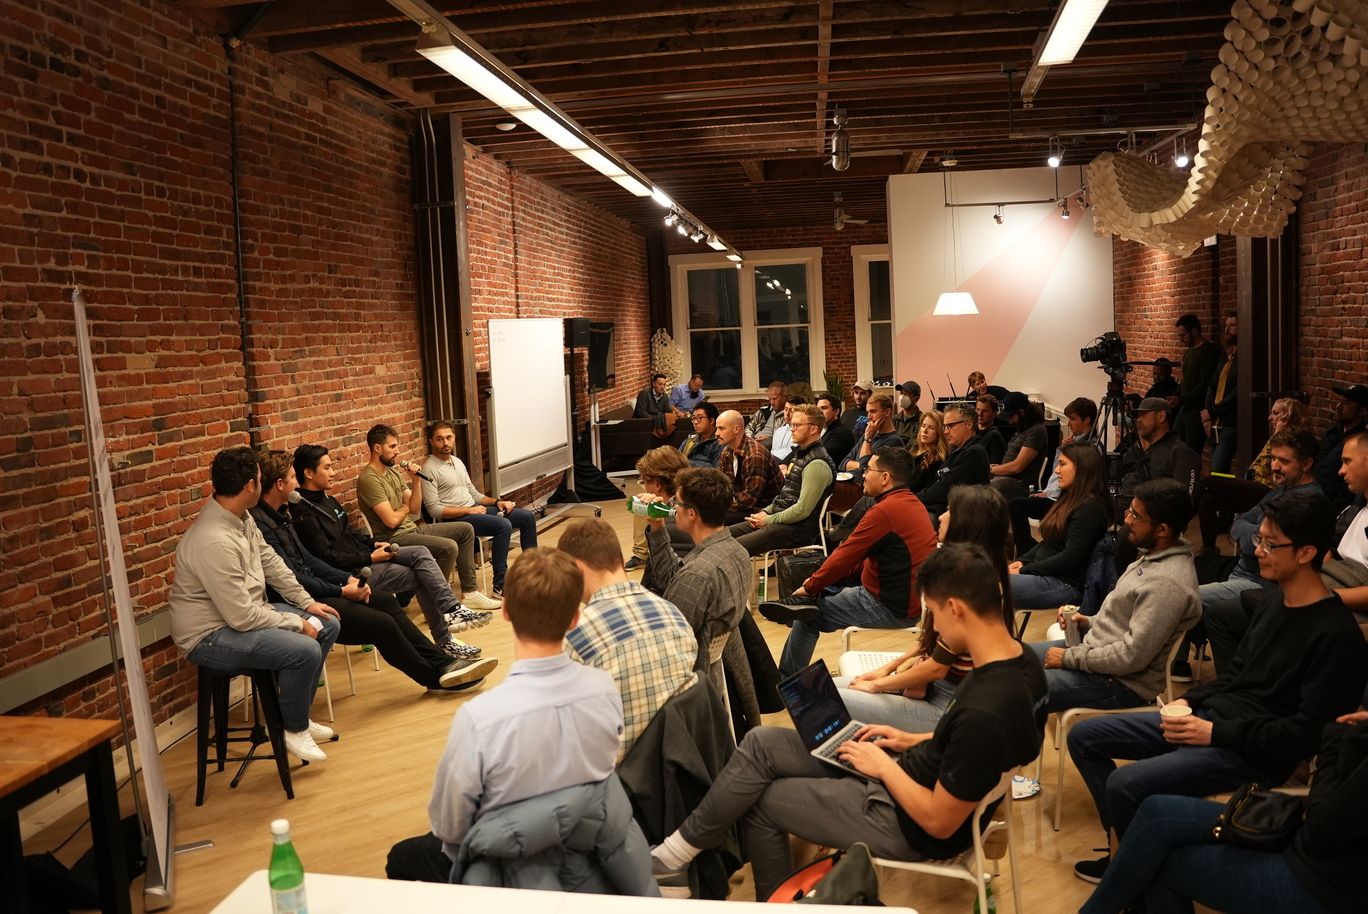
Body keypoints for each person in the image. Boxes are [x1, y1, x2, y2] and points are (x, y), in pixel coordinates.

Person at [647, 543, 1046, 903]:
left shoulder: (985, 709)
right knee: (763, 743)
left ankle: (736, 886)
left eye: (936, 614)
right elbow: (981, 750)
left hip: (905, 819)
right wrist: (909, 739)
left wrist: (884, 768)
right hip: (904, 772)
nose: (935, 628)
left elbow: (939, 823)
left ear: (956, 607)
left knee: (764, 803)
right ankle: (675, 855)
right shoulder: (1023, 663)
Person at [1067, 488, 1368, 883]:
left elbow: (1303, 736)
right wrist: (1191, 702)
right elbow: (1236, 675)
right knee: (1085, 735)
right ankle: (1127, 852)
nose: (1257, 550)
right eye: (1259, 538)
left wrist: (1214, 732)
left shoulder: (1337, 635)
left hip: (1252, 750)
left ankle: (1131, 871)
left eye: (1270, 544)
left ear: (1307, 552)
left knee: (1126, 783)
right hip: (1214, 721)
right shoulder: (1273, 603)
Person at [386, 549, 631, 885]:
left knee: (402, 858)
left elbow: (450, 828)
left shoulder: (480, 719)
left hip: (507, 864)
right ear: (576, 618)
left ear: (505, 611)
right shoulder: (605, 690)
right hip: (584, 845)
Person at [251, 450, 496, 692]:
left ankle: (443, 661)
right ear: (281, 484)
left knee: (387, 603)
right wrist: (342, 588)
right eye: (292, 478)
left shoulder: (282, 513)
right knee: (383, 624)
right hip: (302, 599)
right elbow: (294, 576)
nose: (296, 482)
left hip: (326, 583)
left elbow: (309, 561)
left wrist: (346, 580)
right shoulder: (268, 521)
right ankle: (434, 678)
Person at [1080, 710, 1368, 914]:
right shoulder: (1273, 623)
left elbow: (1322, 827)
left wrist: (1335, 747)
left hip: (1327, 882)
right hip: (1310, 834)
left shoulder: (1335, 641)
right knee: (1156, 811)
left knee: (1160, 860)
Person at [169, 446, 341, 763]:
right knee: (304, 649)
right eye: (260, 480)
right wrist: (295, 622)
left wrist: (307, 603)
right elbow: (241, 617)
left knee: (328, 624)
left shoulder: (241, 517)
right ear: (251, 486)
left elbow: (271, 563)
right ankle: (293, 727)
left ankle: (296, 716)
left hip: (241, 615)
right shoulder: (214, 540)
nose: (261, 485)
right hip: (210, 634)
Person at [833, 484, 1015, 732]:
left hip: (946, 706)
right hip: (932, 688)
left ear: (968, 522)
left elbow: (937, 667)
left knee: (826, 699)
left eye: (950, 510)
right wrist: (887, 669)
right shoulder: (974, 572)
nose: (940, 516)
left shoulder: (973, 584)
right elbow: (934, 648)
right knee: (827, 690)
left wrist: (881, 684)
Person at [290, 443, 488, 661]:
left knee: (422, 564)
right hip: (350, 577)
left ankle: (447, 634)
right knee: (424, 558)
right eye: (327, 468)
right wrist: (369, 556)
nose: (333, 472)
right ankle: (451, 615)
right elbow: (326, 557)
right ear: (309, 473)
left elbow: (351, 535)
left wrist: (373, 544)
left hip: (367, 558)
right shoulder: (303, 511)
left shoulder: (329, 499)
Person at [759, 446, 938, 677]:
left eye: (868, 469)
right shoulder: (910, 503)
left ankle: (785, 680)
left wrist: (810, 586)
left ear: (885, 478)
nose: (863, 473)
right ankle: (803, 600)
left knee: (808, 614)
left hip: (891, 606)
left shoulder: (884, 511)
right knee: (821, 591)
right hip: (904, 599)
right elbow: (861, 557)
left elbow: (846, 555)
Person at [1029, 478, 1201, 715]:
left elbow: (1131, 657)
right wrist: (1087, 622)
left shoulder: (1168, 584)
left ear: (1163, 529)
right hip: (1096, 655)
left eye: (1136, 516)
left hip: (1120, 684)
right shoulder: (1154, 553)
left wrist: (1070, 658)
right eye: (1130, 511)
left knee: (1017, 691)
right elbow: (1121, 620)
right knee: (1010, 660)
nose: (1127, 520)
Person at [557, 520, 698, 762]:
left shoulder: (576, 637)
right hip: (682, 768)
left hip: (618, 780)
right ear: (620, 561)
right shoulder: (673, 615)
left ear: (577, 569)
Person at [1198, 429, 1322, 668]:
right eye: (1273, 459)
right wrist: (1254, 534)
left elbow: (1253, 544)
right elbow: (1239, 523)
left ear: (1307, 464)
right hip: (1241, 571)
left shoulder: (1306, 502)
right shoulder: (1281, 490)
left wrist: (1251, 536)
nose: (1274, 466)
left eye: (1283, 461)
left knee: (1185, 597)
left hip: (1260, 582)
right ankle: (1180, 664)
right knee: (1182, 573)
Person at [356, 424, 500, 611]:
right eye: (392, 447)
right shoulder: (369, 479)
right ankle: (437, 604)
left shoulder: (392, 472)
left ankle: (470, 593)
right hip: (392, 538)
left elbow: (415, 508)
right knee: (448, 547)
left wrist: (416, 480)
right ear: (377, 448)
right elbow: (391, 521)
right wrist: (405, 508)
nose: (397, 451)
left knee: (465, 529)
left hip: (410, 528)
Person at [643, 467, 751, 672]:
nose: (673, 508)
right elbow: (674, 578)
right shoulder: (738, 552)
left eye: (676, 502)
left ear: (691, 513)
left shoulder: (698, 574)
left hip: (689, 674)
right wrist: (657, 526)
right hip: (716, 667)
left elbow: (671, 641)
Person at [421, 420, 538, 597]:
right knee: (503, 525)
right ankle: (500, 585)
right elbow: (434, 510)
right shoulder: (429, 469)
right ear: (431, 441)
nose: (445, 443)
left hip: (474, 509)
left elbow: (473, 493)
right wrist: (469, 511)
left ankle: (535, 574)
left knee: (527, 517)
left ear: (454, 438)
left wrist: (497, 502)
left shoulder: (457, 461)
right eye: (439, 439)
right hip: (456, 519)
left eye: (448, 438)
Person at [1197, 396, 1311, 550]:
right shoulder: (1278, 437)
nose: (1269, 417)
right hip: (1255, 486)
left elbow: (1271, 471)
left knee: (1208, 481)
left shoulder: (1294, 440)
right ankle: (1209, 551)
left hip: (1271, 491)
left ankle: (1174, 523)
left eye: (1275, 413)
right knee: (1208, 500)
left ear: (1287, 417)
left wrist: (1277, 436)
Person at [1009, 443, 1112, 610]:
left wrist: (1025, 570)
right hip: (1047, 575)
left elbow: (1070, 558)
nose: (1056, 470)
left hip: (1065, 583)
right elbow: (1049, 542)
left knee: (988, 587)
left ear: (1082, 468)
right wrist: (1021, 561)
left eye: (1062, 464)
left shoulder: (1089, 507)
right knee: (980, 580)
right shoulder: (1069, 499)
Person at [726, 404, 834, 555]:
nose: (792, 429)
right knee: (720, 538)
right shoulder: (801, 455)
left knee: (730, 549)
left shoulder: (817, 464)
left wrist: (768, 519)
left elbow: (802, 511)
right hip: (780, 521)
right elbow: (784, 496)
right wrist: (764, 512)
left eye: (797, 425)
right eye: (792, 425)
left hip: (797, 531)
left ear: (814, 429)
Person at [1009, 396, 1098, 557]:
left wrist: (1050, 493)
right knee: (1016, 500)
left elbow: (1074, 480)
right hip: (1052, 493)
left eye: (1073, 419)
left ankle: (1027, 551)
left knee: (1016, 505)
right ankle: (1027, 550)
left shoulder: (1090, 449)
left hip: (1061, 499)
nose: (1069, 424)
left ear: (1087, 420)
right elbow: (1057, 471)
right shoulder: (1073, 442)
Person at [917, 403, 992, 520]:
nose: (946, 431)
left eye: (950, 426)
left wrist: (913, 499)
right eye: (945, 427)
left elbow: (945, 489)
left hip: (964, 516)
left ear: (968, 424)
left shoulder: (974, 453)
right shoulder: (958, 451)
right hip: (943, 509)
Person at [1117, 398, 1200, 499]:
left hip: (1141, 511)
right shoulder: (1142, 446)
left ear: (1161, 416)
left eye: (1143, 414)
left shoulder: (1181, 452)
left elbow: (1186, 501)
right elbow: (1115, 473)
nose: (1138, 419)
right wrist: (1138, 449)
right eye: (1138, 415)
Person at [626, 446, 690, 572]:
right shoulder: (689, 502)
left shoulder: (671, 527)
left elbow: (659, 581)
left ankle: (641, 554)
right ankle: (641, 554)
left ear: (657, 485)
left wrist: (656, 527)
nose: (643, 487)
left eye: (643, 482)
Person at [715, 409, 783, 526]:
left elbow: (748, 501)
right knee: (704, 515)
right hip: (742, 507)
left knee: (708, 519)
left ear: (736, 429)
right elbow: (721, 486)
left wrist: (717, 507)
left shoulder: (755, 455)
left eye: (721, 428)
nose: (716, 433)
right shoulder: (727, 452)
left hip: (762, 512)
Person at [1314, 384, 1368, 512]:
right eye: (1339, 401)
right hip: (1313, 492)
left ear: (1363, 411)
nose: (1338, 407)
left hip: (1333, 504)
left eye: (1347, 403)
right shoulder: (1332, 432)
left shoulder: (1360, 441)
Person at [1174, 313, 1221, 453]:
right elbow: (1186, 379)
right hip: (1185, 409)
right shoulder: (1188, 353)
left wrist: (1181, 398)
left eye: (1184, 335)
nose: (1181, 339)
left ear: (1194, 331)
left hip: (1197, 410)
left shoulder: (1208, 351)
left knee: (1191, 452)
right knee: (1176, 445)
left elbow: (1205, 383)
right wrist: (1176, 395)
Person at [989, 392, 1048, 499]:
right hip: (1006, 479)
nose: (1009, 421)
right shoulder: (1024, 428)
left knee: (980, 491)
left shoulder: (1036, 431)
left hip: (1019, 483)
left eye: (1011, 416)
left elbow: (1017, 467)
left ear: (1021, 413)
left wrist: (990, 470)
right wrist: (997, 468)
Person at [1201, 312, 1239, 472]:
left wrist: (1212, 411)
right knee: (1217, 469)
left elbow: (1238, 393)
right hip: (1216, 421)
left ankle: (1224, 495)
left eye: (1232, 326)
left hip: (1230, 421)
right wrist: (1207, 414)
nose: (1227, 329)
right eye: (1226, 326)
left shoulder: (1243, 358)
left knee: (1219, 468)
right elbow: (1212, 385)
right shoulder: (1225, 356)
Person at [843, 394, 901, 476]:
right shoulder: (868, 434)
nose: (868, 417)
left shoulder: (894, 441)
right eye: (868, 412)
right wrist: (862, 465)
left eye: (873, 411)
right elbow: (843, 463)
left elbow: (865, 471)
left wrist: (868, 440)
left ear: (887, 412)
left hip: (863, 486)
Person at [908, 410, 948, 493]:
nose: (925, 431)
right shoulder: (913, 453)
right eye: (923, 426)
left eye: (931, 428)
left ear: (939, 432)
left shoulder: (941, 461)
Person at [814, 393, 855, 467]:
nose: (819, 412)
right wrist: (785, 463)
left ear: (836, 411)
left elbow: (820, 456)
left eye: (824, 408)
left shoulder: (841, 433)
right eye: (818, 409)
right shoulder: (820, 429)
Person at [679, 401, 723, 468]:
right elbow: (677, 460)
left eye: (700, 418)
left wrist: (687, 464)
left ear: (711, 421)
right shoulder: (690, 439)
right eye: (693, 418)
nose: (695, 422)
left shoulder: (720, 441)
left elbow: (717, 470)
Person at [746, 381, 788, 446]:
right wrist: (751, 440)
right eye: (769, 399)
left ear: (784, 397)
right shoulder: (762, 412)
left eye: (774, 399)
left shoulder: (789, 414)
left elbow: (788, 437)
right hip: (754, 441)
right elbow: (748, 428)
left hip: (771, 443)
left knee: (767, 443)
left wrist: (771, 438)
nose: (771, 402)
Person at [972, 394, 1007, 464]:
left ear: (994, 414)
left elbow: (994, 466)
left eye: (985, 411)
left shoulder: (994, 436)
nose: (980, 414)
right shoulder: (970, 430)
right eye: (978, 409)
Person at [769, 395, 804, 463]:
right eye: (785, 409)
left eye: (791, 410)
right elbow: (773, 452)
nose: (787, 414)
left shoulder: (801, 432)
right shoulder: (779, 431)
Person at [893, 380, 922, 444]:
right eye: (901, 393)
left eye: (906, 394)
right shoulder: (895, 419)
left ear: (916, 398)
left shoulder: (921, 420)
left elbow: (914, 445)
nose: (902, 396)